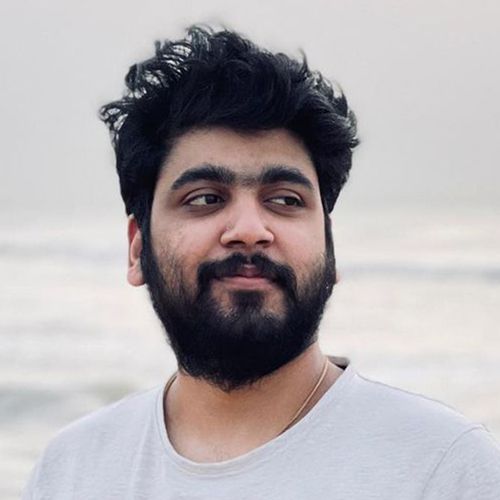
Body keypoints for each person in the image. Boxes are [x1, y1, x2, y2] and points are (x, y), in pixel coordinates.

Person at [24, 24, 500, 499]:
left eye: (286, 200)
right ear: (137, 250)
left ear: (330, 247)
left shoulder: (444, 468)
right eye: (205, 198)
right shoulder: (72, 471)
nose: (250, 229)